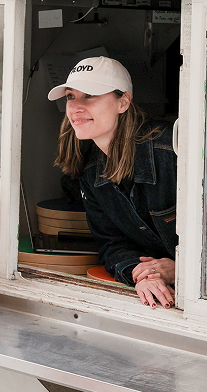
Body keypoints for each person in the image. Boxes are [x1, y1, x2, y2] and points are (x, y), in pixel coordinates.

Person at [49, 56, 178, 309]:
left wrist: (182, 269)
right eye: (70, 97)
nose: (76, 107)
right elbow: (111, 244)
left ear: (123, 101)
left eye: (90, 96)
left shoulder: (171, 152)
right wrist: (140, 275)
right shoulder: (91, 171)